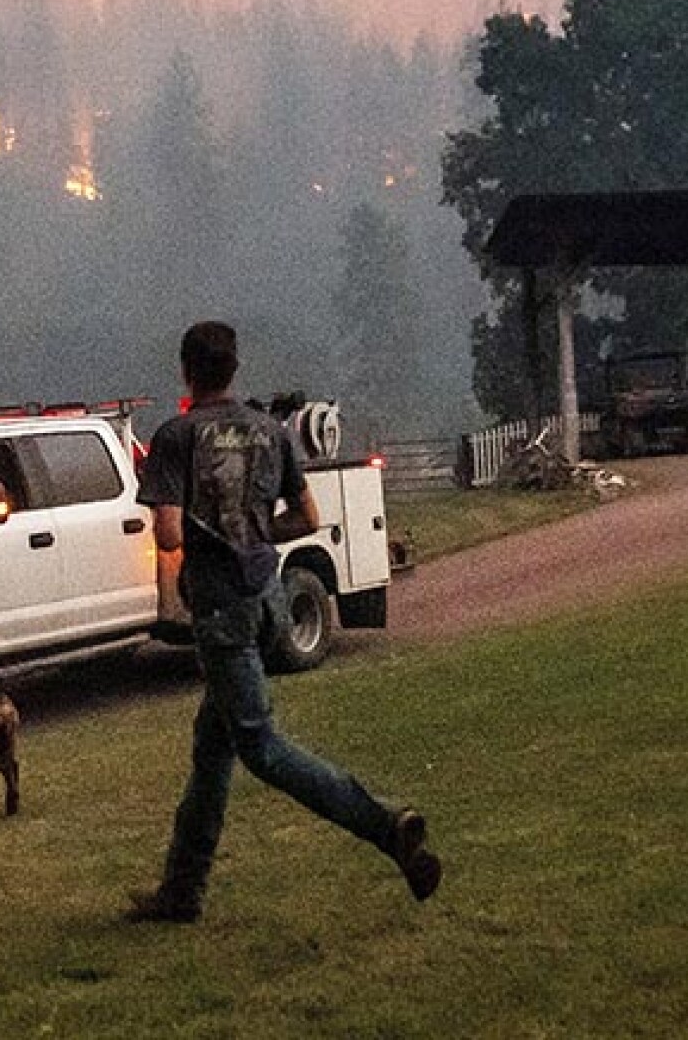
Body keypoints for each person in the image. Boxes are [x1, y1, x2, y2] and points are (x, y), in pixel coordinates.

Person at [127, 321, 441, 923]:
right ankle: (181, 892)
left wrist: (198, 554)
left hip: (219, 610)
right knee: (211, 750)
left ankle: (386, 826)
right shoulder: (271, 432)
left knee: (262, 749)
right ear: (234, 368)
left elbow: (168, 532)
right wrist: (251, 531)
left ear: (186, 370)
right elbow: (309, 515)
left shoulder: (177, 436)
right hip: (265, 599)